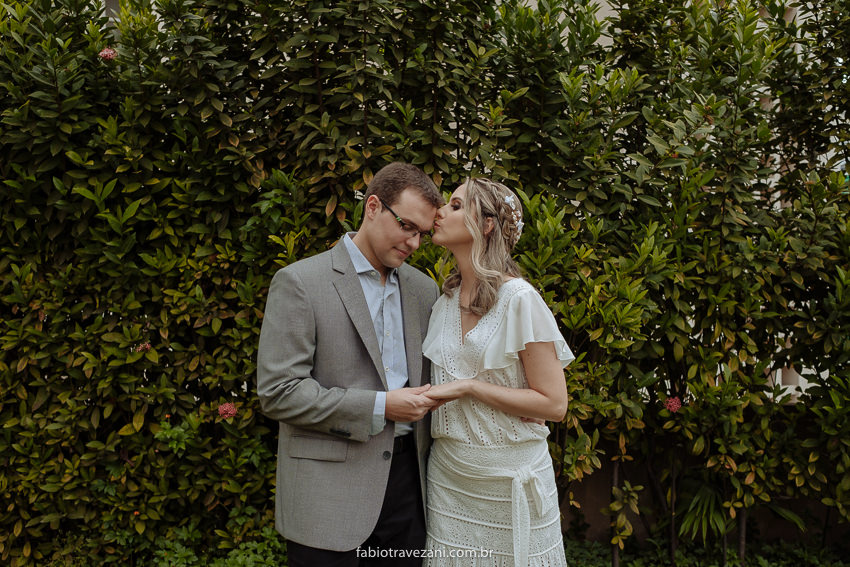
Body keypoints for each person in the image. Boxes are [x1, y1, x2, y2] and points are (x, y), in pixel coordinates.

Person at [256, 162, 444, 566]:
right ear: (373, 207)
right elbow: (279, 393)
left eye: (422, 234)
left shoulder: (423, 289)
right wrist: (381, 406)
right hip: (327, 494)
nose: (413, 243)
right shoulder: (301, 282)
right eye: (406, 226)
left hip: (408, 489)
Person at [421, 177, 574, 567]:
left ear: (486, 224)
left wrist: (471, 387)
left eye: (455, 205)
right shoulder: (444, 301)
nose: (440, 211)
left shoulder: (519, 299)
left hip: (510, 482)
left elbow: (554, 404)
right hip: (451, 481)